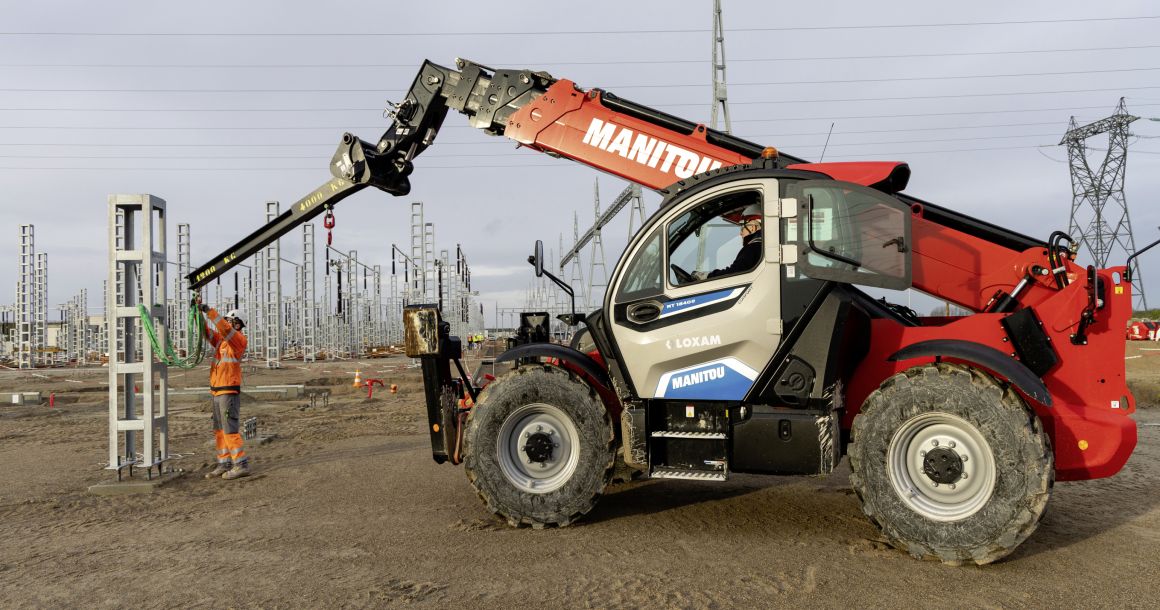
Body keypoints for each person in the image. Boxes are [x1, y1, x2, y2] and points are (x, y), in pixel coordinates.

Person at [195, 295, 251, 480]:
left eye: (229, 320)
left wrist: (209, 311)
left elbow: (223, 329)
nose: (226, 323)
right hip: (217, 390)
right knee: (219, 431)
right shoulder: (221, 341)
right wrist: (197, 313)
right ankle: (224, 463)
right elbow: (207, 332)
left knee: (229, 429)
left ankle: (240, 464)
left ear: (237, 324)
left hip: (228, 391)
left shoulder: (238, 341)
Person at [694, 202, 763, 280]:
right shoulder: (763, 248)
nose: (740, 233)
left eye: (742, 228)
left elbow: (734, 273)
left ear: (752, 227)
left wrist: (708, 276)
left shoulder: (752, 248)